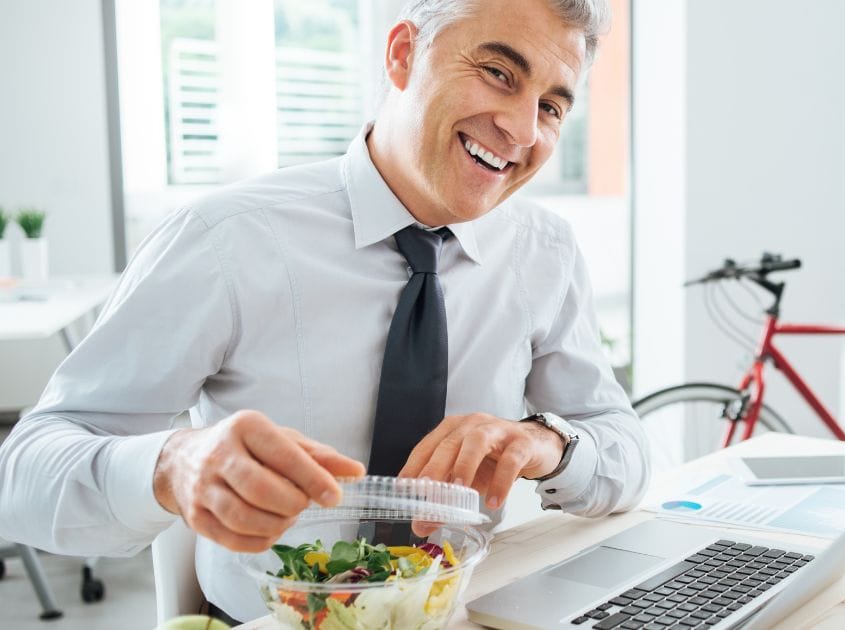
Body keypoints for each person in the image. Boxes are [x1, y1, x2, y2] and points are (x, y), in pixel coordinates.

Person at [0, 0, 648, 621]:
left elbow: (627, 456)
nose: (524, 129)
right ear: (403, 53)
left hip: (464, 617)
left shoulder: (546, 251)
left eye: (553, 106)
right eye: (498, 72)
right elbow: (24, 475)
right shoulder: (224, 240)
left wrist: (547, 443)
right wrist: (171, 467)